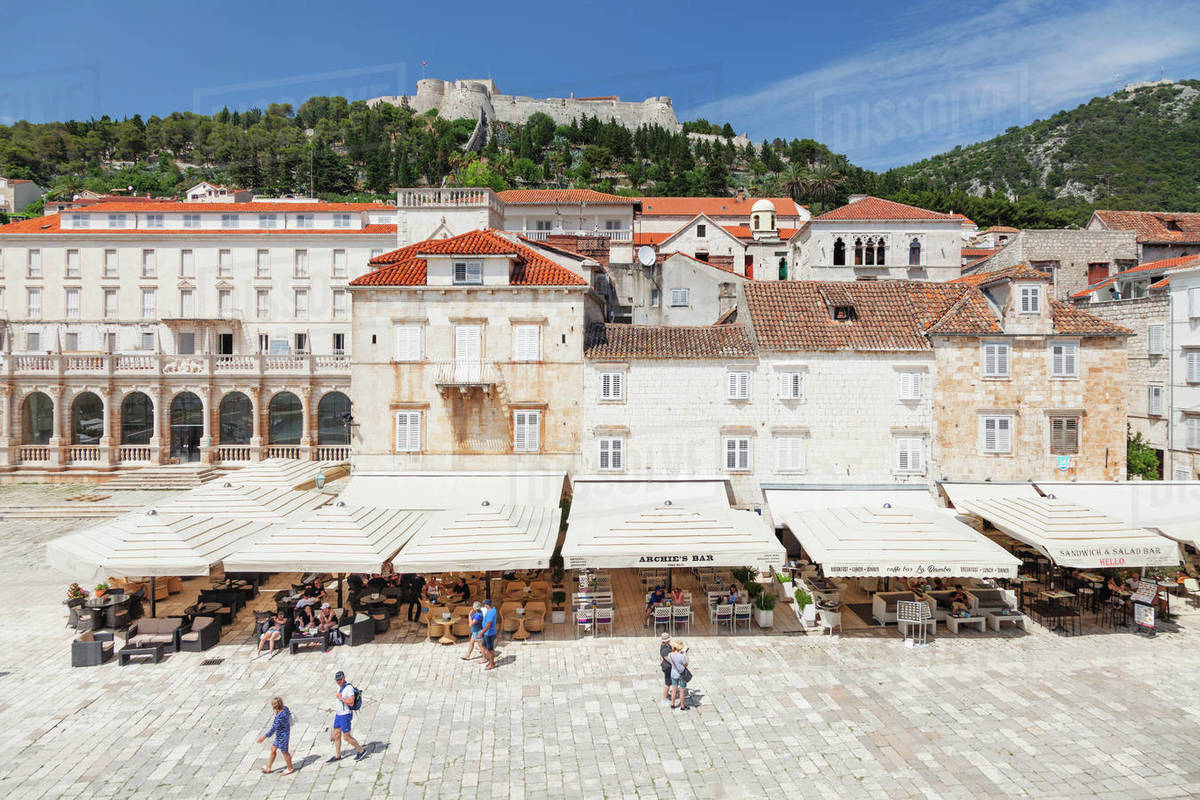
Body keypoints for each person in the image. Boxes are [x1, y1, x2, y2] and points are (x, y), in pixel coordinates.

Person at [329, 671, 366, 762]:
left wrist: (341, 698)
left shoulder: (348, 688)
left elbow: (351, 702)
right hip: (339, 714)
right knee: (336, 735)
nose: (338, 682)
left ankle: (361, 751)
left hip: (345, 715)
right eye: (337, 680)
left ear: (344, 678)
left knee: (346, 737)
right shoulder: (340, 687)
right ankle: (338, 755)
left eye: (340, 680)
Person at [257, 697, 295, 775]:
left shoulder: (279, 717)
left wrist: (263, 737)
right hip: (281, 734)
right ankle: (268, 767)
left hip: (283, 736)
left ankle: (290, 768)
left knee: (284, 752)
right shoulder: (286, 709)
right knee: (273, 749)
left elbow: (274, 728)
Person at [667, 640, 689, 711]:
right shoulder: (681, 656)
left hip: (673, 673)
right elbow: (686, 664)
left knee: (674, 690)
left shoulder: (670, 655)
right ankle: (682, 706)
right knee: (682, 690)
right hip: (681, 674)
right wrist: (686, 654)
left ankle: (673, 704)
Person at [479, 598, 498, 671]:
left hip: (489, 634)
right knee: (485, 646)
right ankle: (488, 660)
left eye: (484, 604)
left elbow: (488, 626)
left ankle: (491, 664)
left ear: (487, 605)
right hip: (486, 633)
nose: (484, 605)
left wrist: (481, 633)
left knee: (490, 650)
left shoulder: (490, 613)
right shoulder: (493, 609)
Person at [659, 632, 673, 703]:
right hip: (667, 667)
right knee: (667, 683)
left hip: (667, 666)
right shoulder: (665, 650)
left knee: (669, 681)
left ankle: (667, 693)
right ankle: (664, 698)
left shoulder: (667, 645)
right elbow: (669, 659)